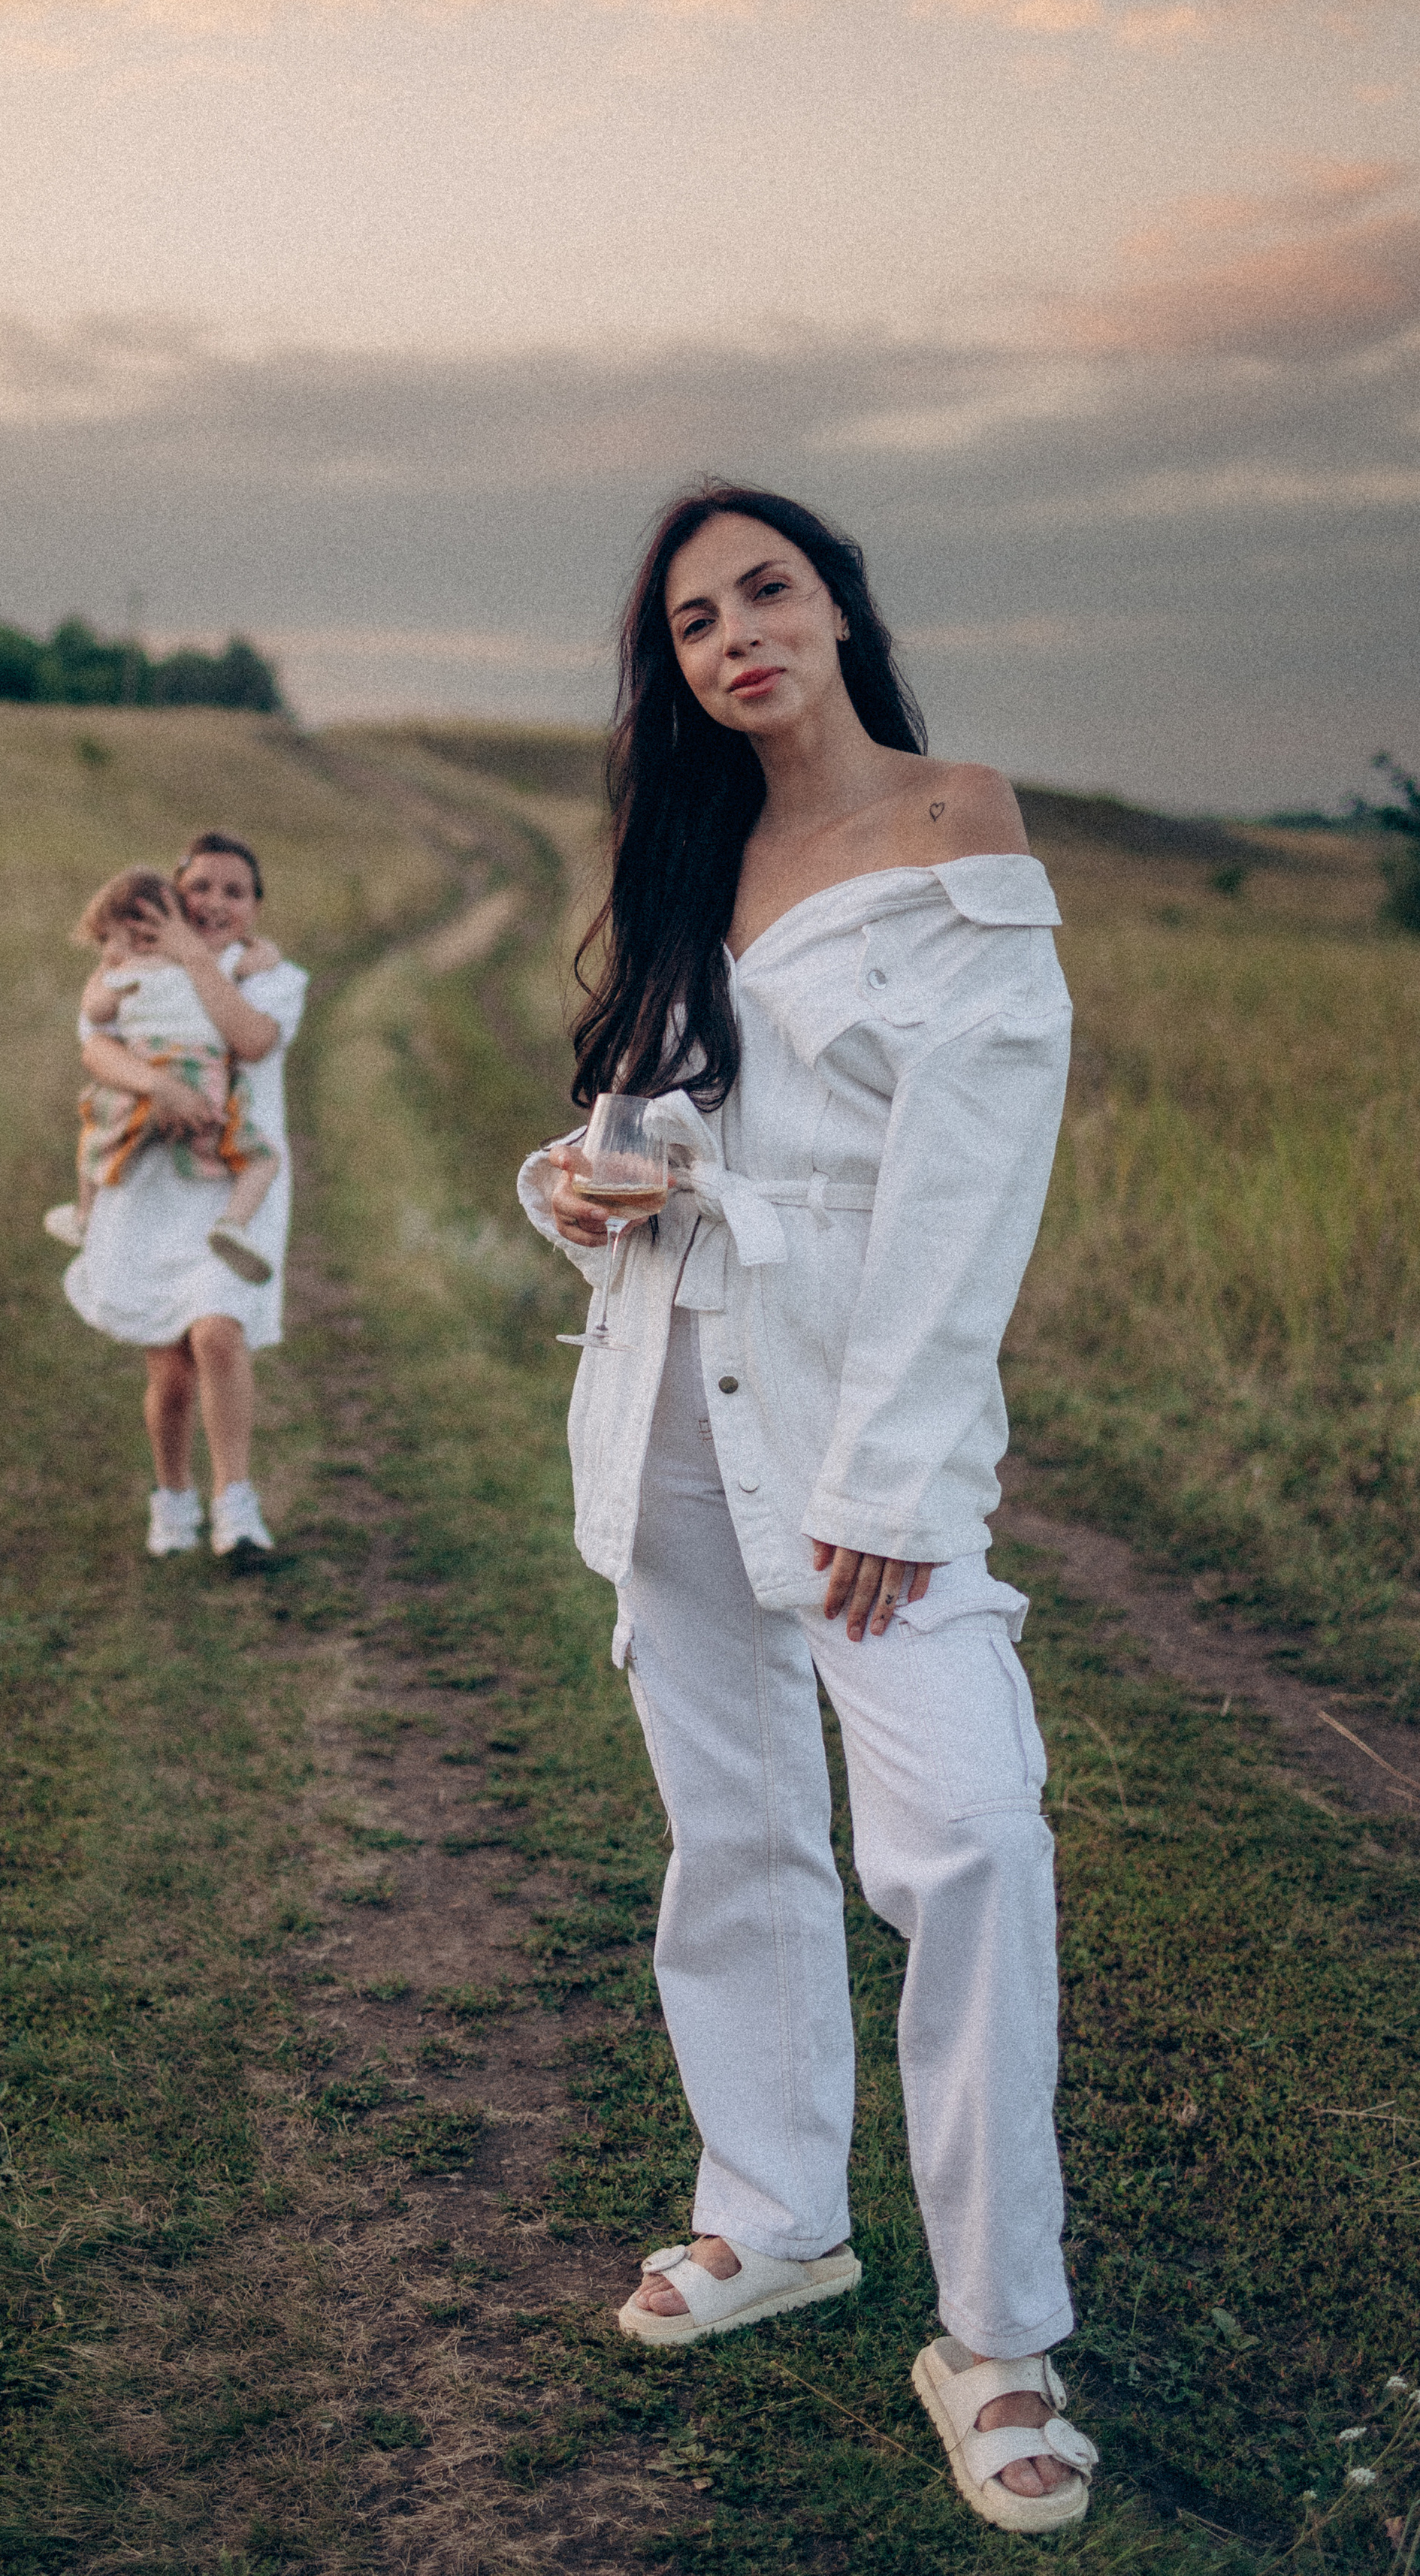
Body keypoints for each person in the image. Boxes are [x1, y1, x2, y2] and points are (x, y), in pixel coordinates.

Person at [515, 485, 1096, 2536]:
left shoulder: (958, 819)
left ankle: (1000, 2330)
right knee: (737, 1828)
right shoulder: (695, 851)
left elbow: (966, 1179)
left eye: (767, 590)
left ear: (839, 608)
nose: (734, 634)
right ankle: (772, 2217)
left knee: (968, 1843)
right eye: (692, 619)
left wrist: (903, 1476)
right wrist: (573, 1183)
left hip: (867, 1428)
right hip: (670, 1393)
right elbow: (658, 1128)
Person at [63, 832, 307, 1564]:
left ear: (255, 907)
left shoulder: (271, 975)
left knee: (217, 1332)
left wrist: (199, 959)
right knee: (168, 1366)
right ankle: (171, 1499)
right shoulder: (132, 962)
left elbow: (253, 1040)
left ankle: (235, 1506)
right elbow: (95, 1043)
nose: (215, 903)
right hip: (152, 1177)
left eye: (235, 892)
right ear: (173, 893)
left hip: (234, 1178)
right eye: (201, 888)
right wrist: (159, 1086)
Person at [44, 865, 280, 1283]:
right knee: (260, 1158)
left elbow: (95, 1015)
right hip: (208, 1085)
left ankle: (84, 1215)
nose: (105, 949)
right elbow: (256, 959)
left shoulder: (126, 974)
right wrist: (265, 953)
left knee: (97, 1134)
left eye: (106, 939)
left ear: (131, 933)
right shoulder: (210, 963)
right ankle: (233, 1225)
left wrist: (107, 971)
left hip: (145, 1086)